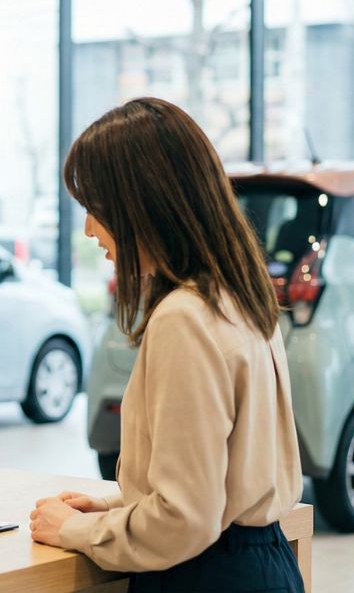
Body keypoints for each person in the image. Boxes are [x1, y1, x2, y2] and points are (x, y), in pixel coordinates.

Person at [30, 98, 304, 592]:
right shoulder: (238, 295)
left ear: (143, 204)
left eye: (96, 208)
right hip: (260, 564)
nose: (90, 230)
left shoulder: (185, 319)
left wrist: (72, 529)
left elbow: (186, 519)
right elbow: (219, 487)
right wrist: (121, 504)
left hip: (205, 576)